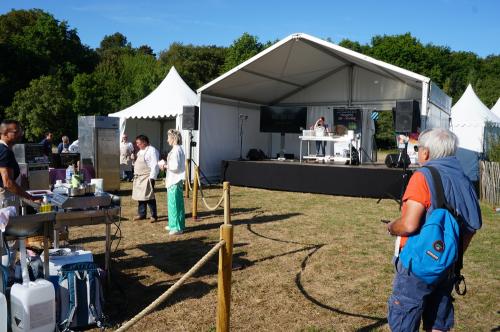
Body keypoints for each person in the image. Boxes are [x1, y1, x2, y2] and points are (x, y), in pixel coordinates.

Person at [386, 128, 482, 332]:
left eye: (418, 148)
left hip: (417, 265)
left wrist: (392, 227)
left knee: (404, 320)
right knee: (438, 322)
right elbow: (472, 226)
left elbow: (409, 224)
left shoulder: (423, 176)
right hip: (447, 267)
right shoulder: (464, 179)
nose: (418, 152)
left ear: (426, 152)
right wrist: (449, 257)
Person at [0, 120, 42, 210]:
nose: (20, 134)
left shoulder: (4, 149)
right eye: (16, 132)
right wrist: (29, 197)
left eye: (21, 131)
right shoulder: (4, 151)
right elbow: (8, 183)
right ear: (5, 133)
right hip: (5, 200)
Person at [159, 129, 186, 235]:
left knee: (174, 204)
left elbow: (175, 166)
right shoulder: (177, 149)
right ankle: (174, 224)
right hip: (174, 179)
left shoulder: (176, 150)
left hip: (174, 180)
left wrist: (164, 165)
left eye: (168, 137)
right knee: (175, 203)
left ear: (173, 138)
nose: (167, 140)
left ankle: (176, 227)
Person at [132, 135, 159, 222]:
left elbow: (154, 165)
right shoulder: (140, 151)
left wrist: (152, 177)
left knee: (149, 197)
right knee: (140, 196)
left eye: (138, 143)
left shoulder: (152, 150)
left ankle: (154, 215)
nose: (137, 145)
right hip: (139, 177)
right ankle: (142, 214)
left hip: (148, 177)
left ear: (144, 142)